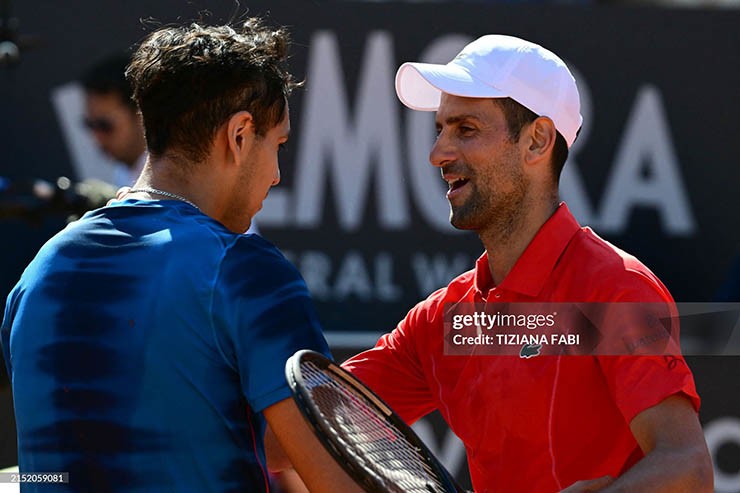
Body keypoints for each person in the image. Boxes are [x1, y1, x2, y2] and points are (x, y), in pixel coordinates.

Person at [1, 19, 362, 493]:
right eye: (279, 145)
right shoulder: (247, 271)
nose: (276, 175)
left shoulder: (37, 274)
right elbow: (334, 479)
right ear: (239, 135)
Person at [343, 35, 713, 492]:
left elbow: (687, 469)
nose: (437, 153)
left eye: (466, 129)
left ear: (537, 141)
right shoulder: (442, 320)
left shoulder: (616, 289)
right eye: (440, 129)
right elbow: (300, 430)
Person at [81, 52, 147, 188]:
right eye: (89, 125)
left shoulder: (175, 173)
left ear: (141, 113)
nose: (97, 137)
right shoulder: (122, 173)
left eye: (104, 125)